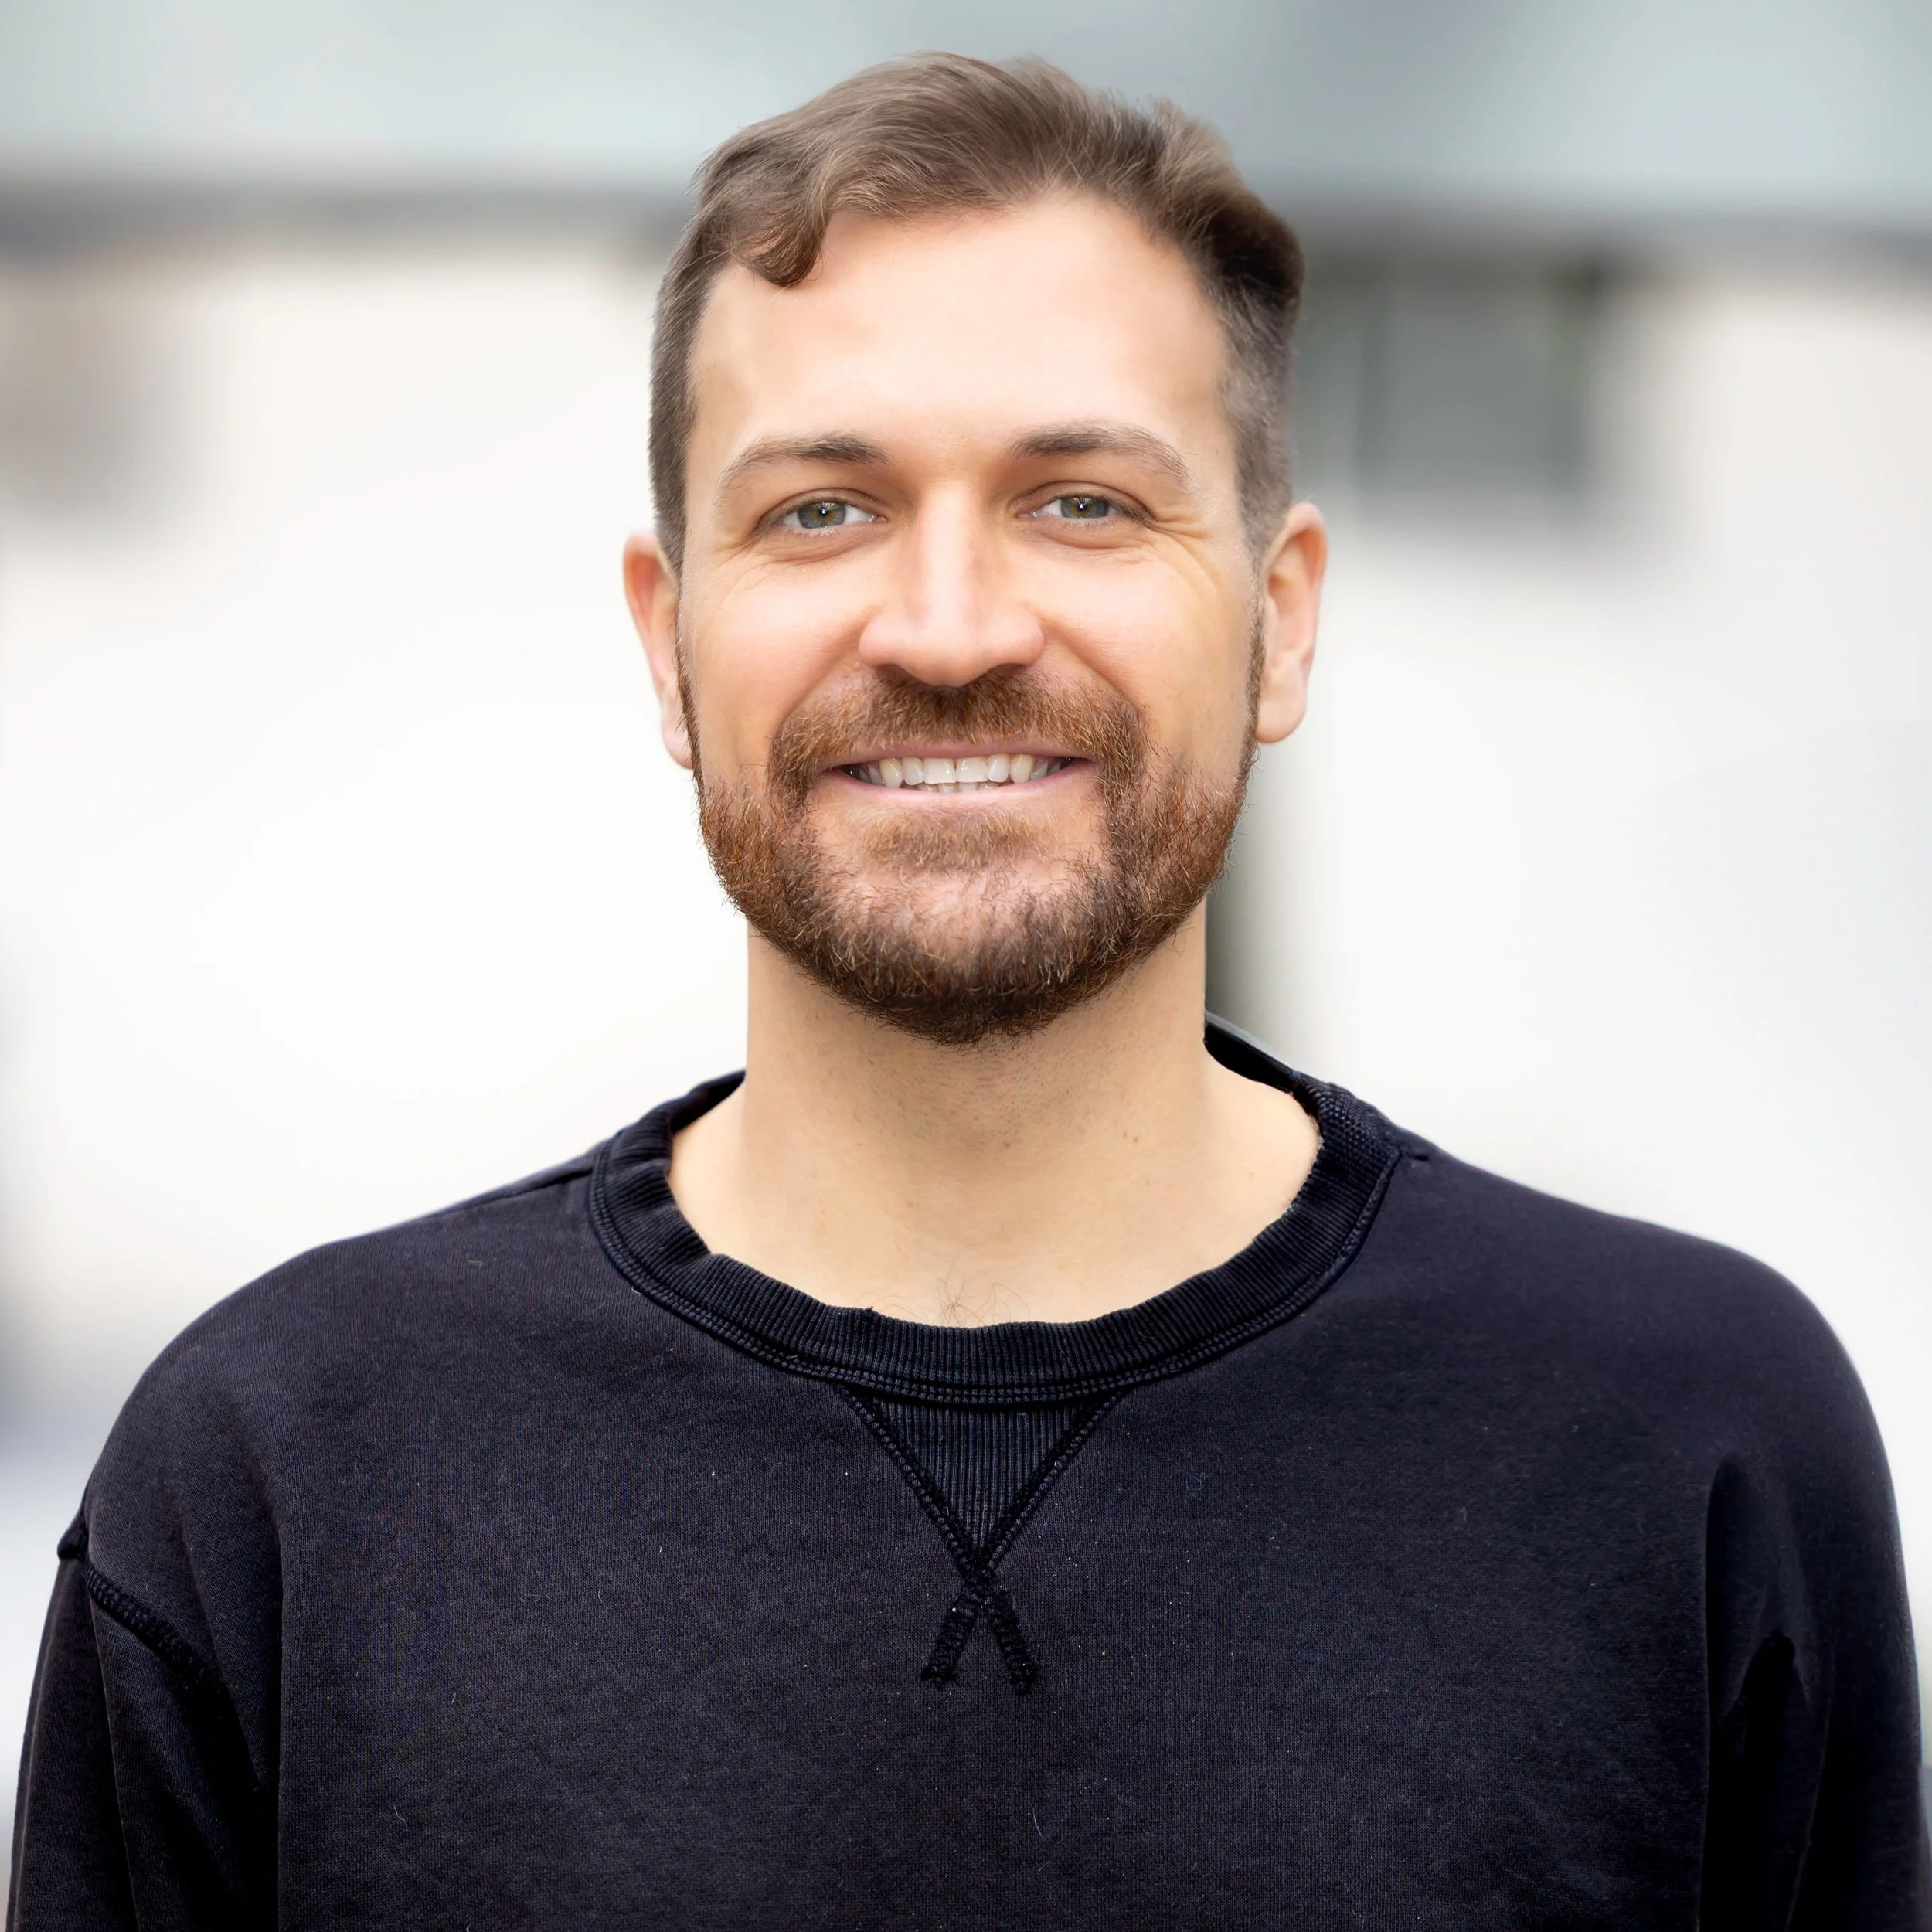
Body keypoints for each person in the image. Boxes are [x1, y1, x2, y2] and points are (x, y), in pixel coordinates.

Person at [8, 52, 1926, 1931]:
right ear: (670, 644)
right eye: (820, 510)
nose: (946, 627)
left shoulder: (1685, 1443)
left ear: (1279, 619)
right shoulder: (283, 1472)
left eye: (1081, 501)